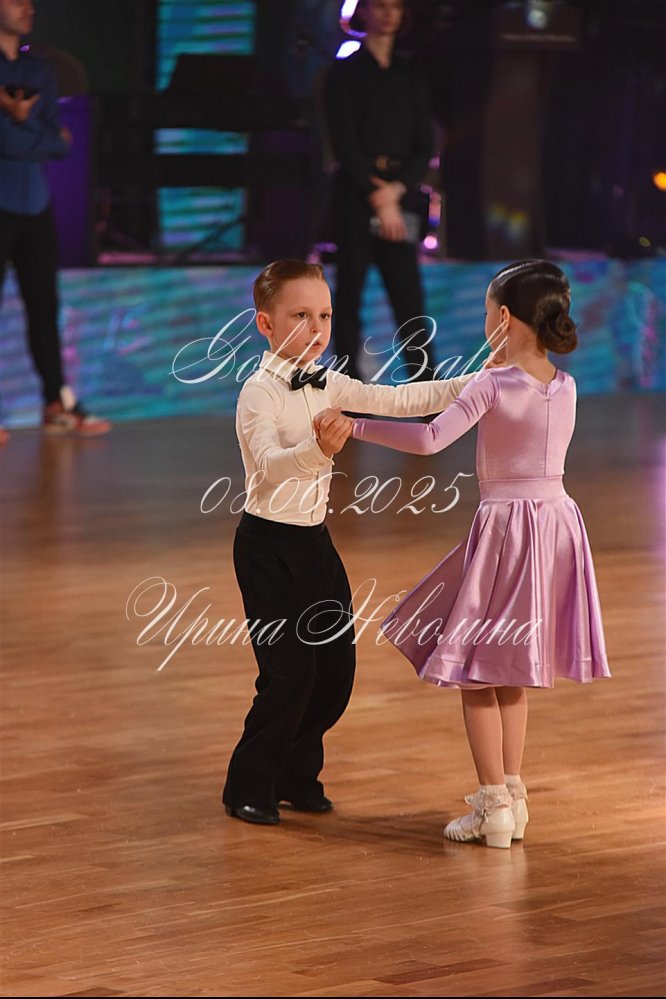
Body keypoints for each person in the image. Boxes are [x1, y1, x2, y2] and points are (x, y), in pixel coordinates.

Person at [314, 259, 611, 848]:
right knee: (512, 669)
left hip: (506, 531)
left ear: (503, 318)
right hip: (555, 525)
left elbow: (430, 439)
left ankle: (493, 805)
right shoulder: (566, 385)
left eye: (485, 313)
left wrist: (355, 425)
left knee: (476, 671)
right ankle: (513, 799)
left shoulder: (492, 385)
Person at [222, 257, 491, 826]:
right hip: (267, 548)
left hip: (315, 545)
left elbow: (403, 400)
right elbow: (268, 466)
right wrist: (318, 450)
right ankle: (248, 784)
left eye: (324, 315)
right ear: (265, 324)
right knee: (288, 675)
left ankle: (297, 776)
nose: (316, 329)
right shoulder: (258, 394)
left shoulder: (330, 382)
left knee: (334, 673)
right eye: (300, 316)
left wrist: (484, 382)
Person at [0, 0, 110, 437]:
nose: (27, 8)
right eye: (16, 0)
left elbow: (61, 141)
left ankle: (56, 401)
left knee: (44, 306)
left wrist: (18, 122)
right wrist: (30, 132)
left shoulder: (38, 71)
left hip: (35, 203)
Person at [322, 0, 436, 382]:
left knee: (409, 299)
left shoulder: (411, 74)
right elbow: (343, 143)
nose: (389, 13)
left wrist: (396, 191)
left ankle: (426, 388)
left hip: (400, 195)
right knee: (349, 295)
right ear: (364, 12)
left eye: (396, 7)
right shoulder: (344, 73)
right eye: (381, 6)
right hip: (356, 195)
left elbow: (424, 143)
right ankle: (347, 386)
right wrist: (377, 195)